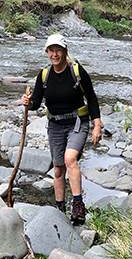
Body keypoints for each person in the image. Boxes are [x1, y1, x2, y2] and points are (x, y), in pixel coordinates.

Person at [20, 34, 101, 225]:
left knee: (70, 159)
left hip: (77, 122)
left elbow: (92, 98)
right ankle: (59, 208)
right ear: (47, 52)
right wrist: (28, 103)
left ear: (65, 51)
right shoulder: (44, 75)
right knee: (57, 169)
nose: (54, 54)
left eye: (58, 50)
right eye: (51, 50)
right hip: (55, 124)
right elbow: (36, 103)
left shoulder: (77, 71)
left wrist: (97, 125)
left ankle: (78, 205)